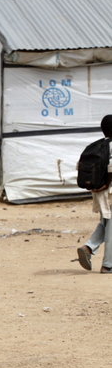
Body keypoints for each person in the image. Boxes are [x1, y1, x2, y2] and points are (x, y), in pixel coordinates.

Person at [77, 115, 112, 273]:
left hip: (99, 192)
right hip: (109, 190)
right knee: (110, 227)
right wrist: (106, 182)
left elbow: (80, 167)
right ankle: (108, 265)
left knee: (106, 223)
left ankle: (88, 248)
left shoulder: (97, 146)